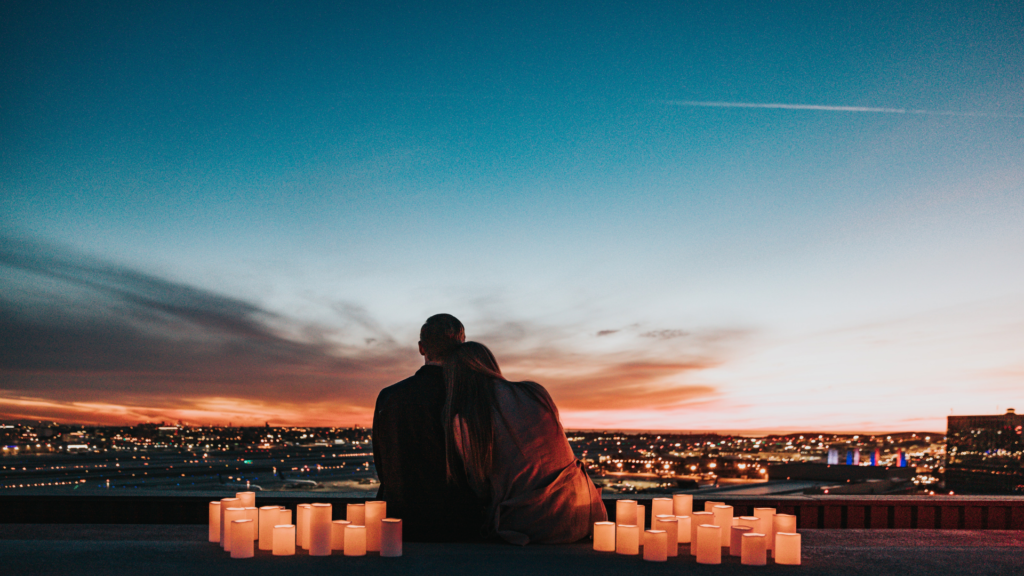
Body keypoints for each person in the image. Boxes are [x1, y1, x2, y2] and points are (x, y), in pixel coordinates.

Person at [443, 341, 607, 545]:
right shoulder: (535, 392)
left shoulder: (466, 420)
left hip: (530, 526)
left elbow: (480, 488)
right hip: (585, 514)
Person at [372, 314, 484, 541]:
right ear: (461, 347)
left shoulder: (389, 397)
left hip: (400, 521)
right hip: (459, 523)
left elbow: (383, 466)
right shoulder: (472, 396)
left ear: (422, 348)